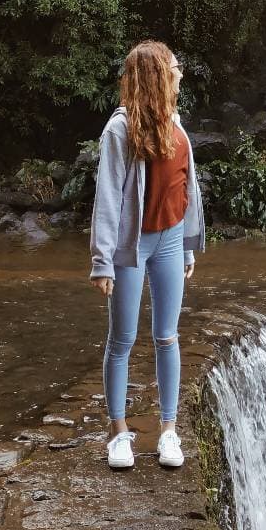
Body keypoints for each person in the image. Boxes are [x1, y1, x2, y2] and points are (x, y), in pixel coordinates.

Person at [89, 40, 205, 470]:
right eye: (176, 67)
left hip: (171, 241)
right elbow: (107, 199)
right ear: (158, 76)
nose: (181, 73)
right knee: (122, 339)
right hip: (132, 246)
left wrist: (190, 244)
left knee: (167, 336)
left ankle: (169, 431)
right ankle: (118, 433)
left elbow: (185, 186)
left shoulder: (175, 122)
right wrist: (103, 261)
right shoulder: (120, 131)